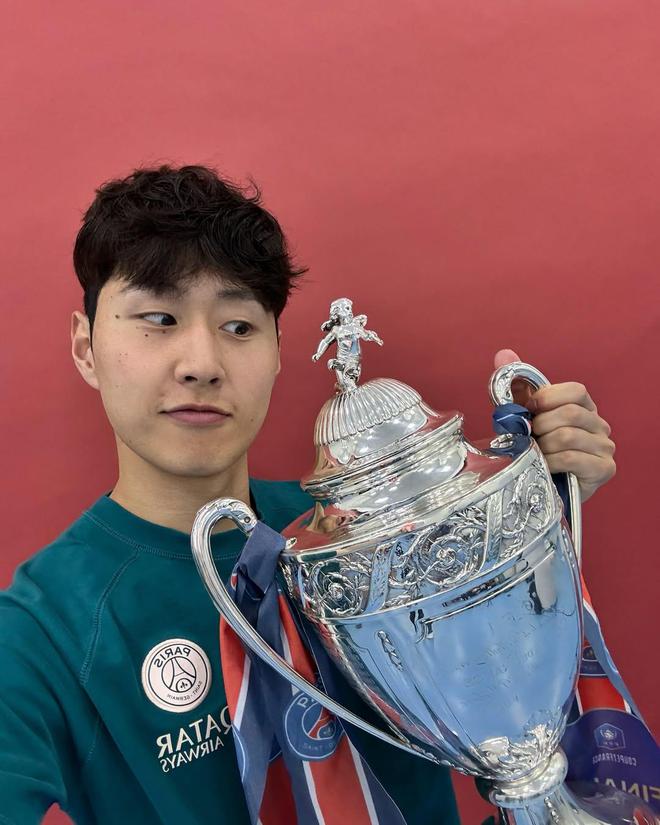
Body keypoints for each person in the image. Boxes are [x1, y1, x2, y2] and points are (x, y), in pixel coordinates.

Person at [0, 164, 617, 824]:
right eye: (159, 317)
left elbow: (503, 693)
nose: (202, 364)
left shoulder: (364, 535)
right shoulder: (41, 630)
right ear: (86, 347)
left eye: (238, 326)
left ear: (277, 351)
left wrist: (539, 509)